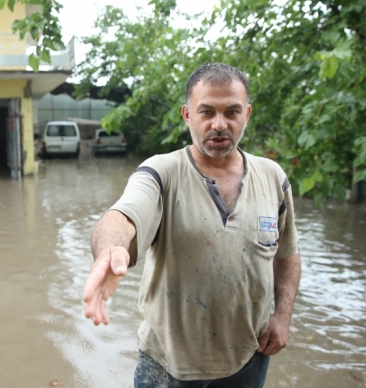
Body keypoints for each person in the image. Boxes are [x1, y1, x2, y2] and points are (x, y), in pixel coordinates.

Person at [82, 62, 301, 387]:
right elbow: (124, 214)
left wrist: (282, 316)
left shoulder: (273, 177)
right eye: (206, 112)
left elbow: (287, 255)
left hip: (250, 358)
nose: (219, 124)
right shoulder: (162, 172)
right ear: (187, 115)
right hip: (170, 367)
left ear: (247, 114)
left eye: (231, 112)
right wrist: (110, 249)